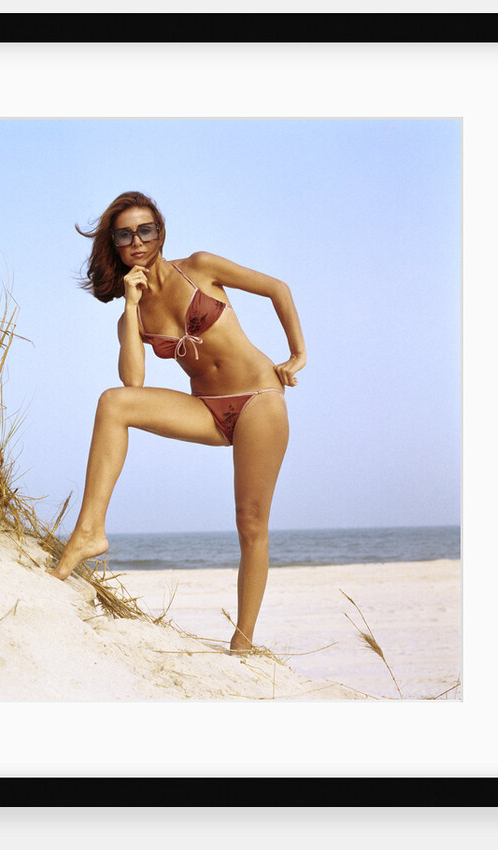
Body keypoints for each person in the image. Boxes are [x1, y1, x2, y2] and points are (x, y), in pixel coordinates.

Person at [49, 191, 306, 653]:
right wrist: (130, 305)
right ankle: (90, 531)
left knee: (250, 521)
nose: (138, 241)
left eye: (145, 230)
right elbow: (133, 382)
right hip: (207, 409)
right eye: (125, 235)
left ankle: (243, 641)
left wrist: (297, 354)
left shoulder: (201, 266)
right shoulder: (137, 308)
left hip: (258, 401)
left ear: (160, 231)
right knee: (113, 403)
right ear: (116, 244)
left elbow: (277, 289)